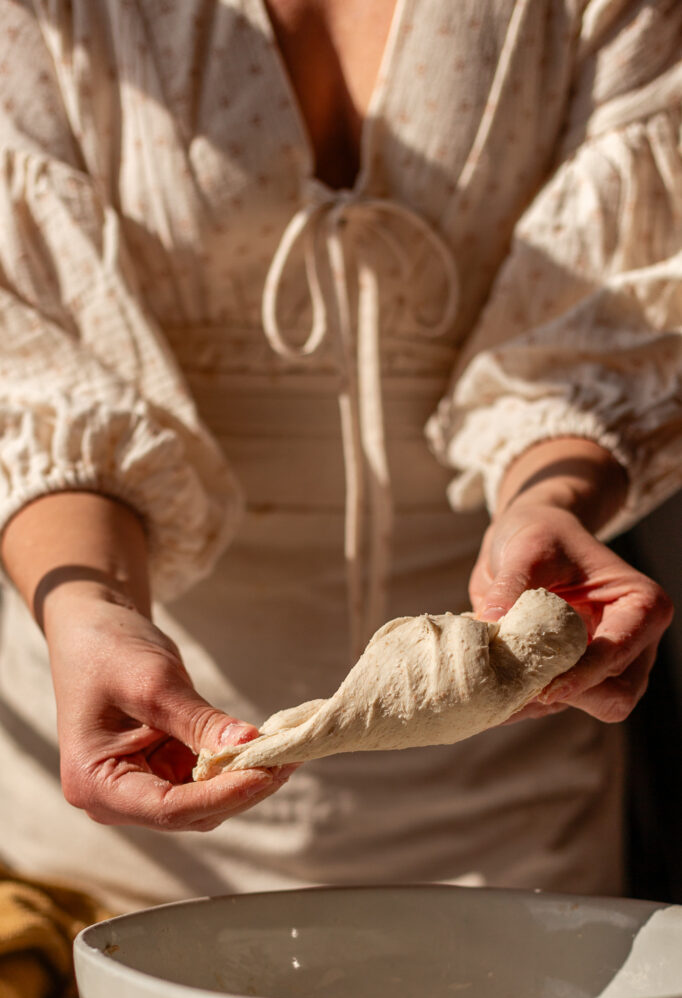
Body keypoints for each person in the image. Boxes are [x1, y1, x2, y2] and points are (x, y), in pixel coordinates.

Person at [0, 0, 679, 913]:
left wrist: (547, 498)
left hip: (500, 797)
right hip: (131, 776)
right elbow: (33, 366)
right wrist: (91, 606)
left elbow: (604, 323)